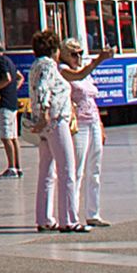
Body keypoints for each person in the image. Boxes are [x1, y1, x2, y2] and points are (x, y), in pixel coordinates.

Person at [29, 30, 82, 232]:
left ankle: (44, 218)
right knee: (67, 169)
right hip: (56, 120)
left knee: (46, 171)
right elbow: (44, 88)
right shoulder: (49, 65)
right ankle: (69, 219)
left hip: (45, 126)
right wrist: (45, 112)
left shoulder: (35, 65)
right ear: (54, 50)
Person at [60, 32, 108, 230]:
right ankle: (73, 214)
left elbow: (92, 99)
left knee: (94, 168)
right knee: (77, 170)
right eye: (74, 54)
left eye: (80, 53)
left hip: (93, 120)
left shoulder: (85, 72)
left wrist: (101, 125)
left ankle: (93, 213)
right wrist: (99, 60)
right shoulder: (63, 71)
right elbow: (78, 76)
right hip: (78, 123)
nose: (78, 58)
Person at [0, 45, 26, 178]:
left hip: (4, 103)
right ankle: (17, 166)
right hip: (12, 102)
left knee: (6, 136)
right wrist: (13, 89)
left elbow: (7, 78)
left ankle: (11, 168)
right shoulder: (9, 61)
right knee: (13, 137)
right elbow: (20, 77)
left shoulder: (0, 61)